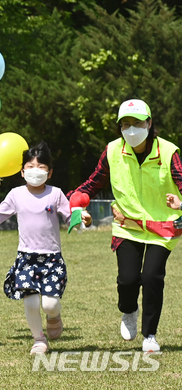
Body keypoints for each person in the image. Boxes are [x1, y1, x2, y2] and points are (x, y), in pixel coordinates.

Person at [69, 99, 182, 353]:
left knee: (153, 277)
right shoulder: (112, 151)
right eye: (125, 124)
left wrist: (179, 204)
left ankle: (150, 335)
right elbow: (92, 184)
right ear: (119, 128)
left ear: (149, 123)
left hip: (162, 228)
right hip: (127, 225)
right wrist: (76, 203)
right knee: (128, 280)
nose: (131, 130)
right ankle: (129, 310)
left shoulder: (168, 151)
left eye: (137, 123)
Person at [0, 141, 76, 355]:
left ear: (50, 173)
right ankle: (39, 340)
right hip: (26, 259)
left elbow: (71, 219)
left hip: (52, 259)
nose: (36, 171)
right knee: (31, 303)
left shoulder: (56, 193)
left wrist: (82, 219)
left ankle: (54, 317)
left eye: (41, 167)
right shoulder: (16, 194)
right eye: (30, 167)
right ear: (22, 172)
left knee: (50, 305)